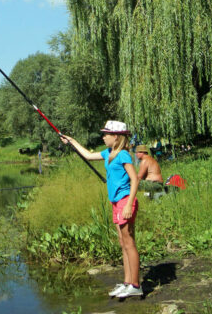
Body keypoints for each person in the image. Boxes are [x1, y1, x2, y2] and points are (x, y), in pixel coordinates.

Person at [61, 120, 142, 299]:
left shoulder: (123, 155)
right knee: (123, 243)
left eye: (106, 134)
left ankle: (135, 285)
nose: (103, 136)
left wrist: (129, 205)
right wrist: (72, 141)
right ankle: (128, 283)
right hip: (116, 203)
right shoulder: (109, 153)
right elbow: (88, 156)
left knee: (129, 243)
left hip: (125, 201)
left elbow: (135, 179)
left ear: (116, 136)